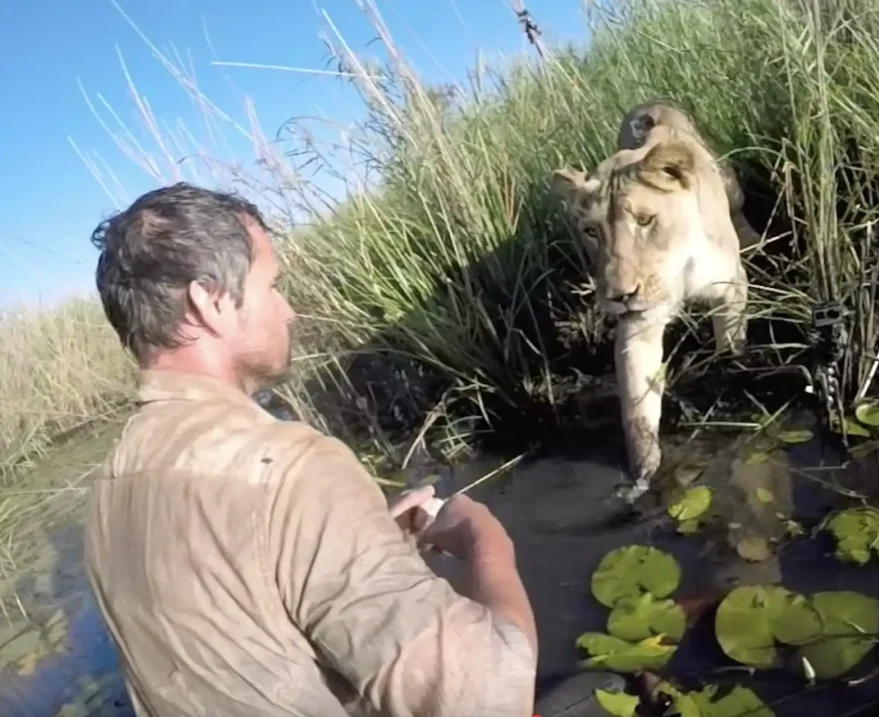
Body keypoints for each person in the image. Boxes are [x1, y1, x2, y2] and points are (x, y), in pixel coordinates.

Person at [83, 182, 539, 716]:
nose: (289, 310)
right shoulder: (292, 471)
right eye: (271, 286)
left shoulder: (109, 490)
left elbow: (231, 610)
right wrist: (484, 538)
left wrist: (363, 538)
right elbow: (492, 698)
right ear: (209, 302)